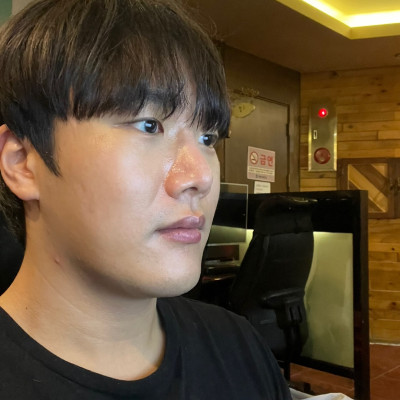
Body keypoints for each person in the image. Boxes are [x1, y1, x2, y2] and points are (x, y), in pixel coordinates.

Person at [0, 0, 291, 398]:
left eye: (207, 138)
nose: (202, 177)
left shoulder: (238, 347)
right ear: (22, 163)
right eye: (149, 125)